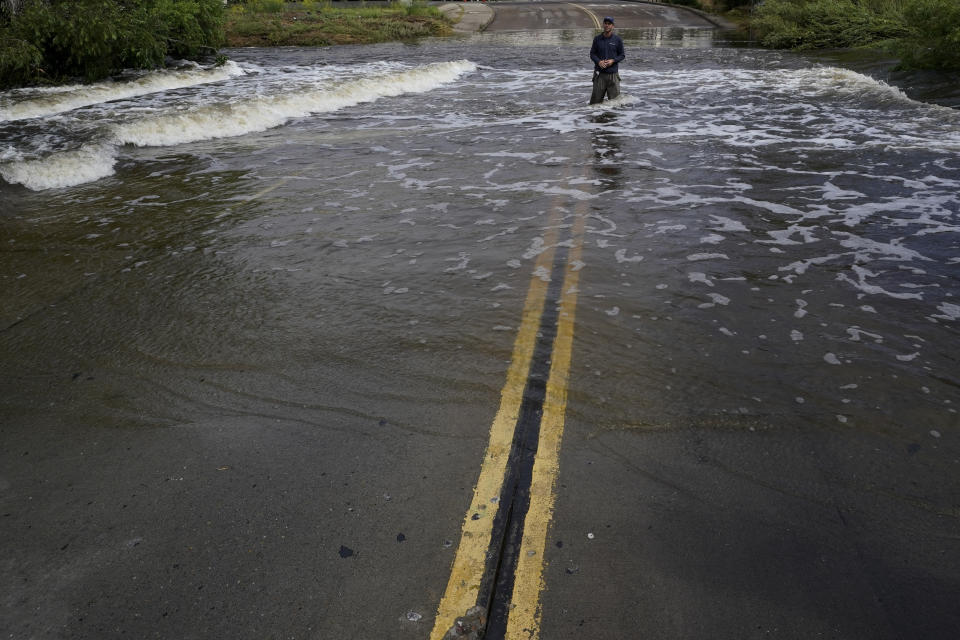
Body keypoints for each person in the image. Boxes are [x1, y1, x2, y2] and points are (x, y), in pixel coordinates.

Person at [589, 16, 625, 105]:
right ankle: (597, 118)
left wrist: (613, 60)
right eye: (605, 23)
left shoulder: (617, 40)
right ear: (603, 25)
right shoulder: (597, 39)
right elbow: (592, 54)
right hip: (599, 75)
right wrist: (599, 62)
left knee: (615, 104)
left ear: (613, 26)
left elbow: (622, 55)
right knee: (595, 104)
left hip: (613, 75)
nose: (607, 25)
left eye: (609, 24)